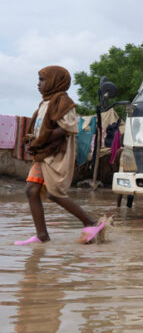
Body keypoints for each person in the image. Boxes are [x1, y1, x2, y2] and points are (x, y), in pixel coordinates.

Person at [17, 66, 104, 245]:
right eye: (39, 79)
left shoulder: (63, 101)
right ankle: (42, 236)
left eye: (42, 80)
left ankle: (90, 222)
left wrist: (41, 141)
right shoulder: (44, 103)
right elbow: (40, 128)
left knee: (54, 194)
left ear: (56, 81)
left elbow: (67, 127)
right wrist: (33, 142)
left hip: (56, 153)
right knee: (31, 190)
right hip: (42, 154)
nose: (38, 84)